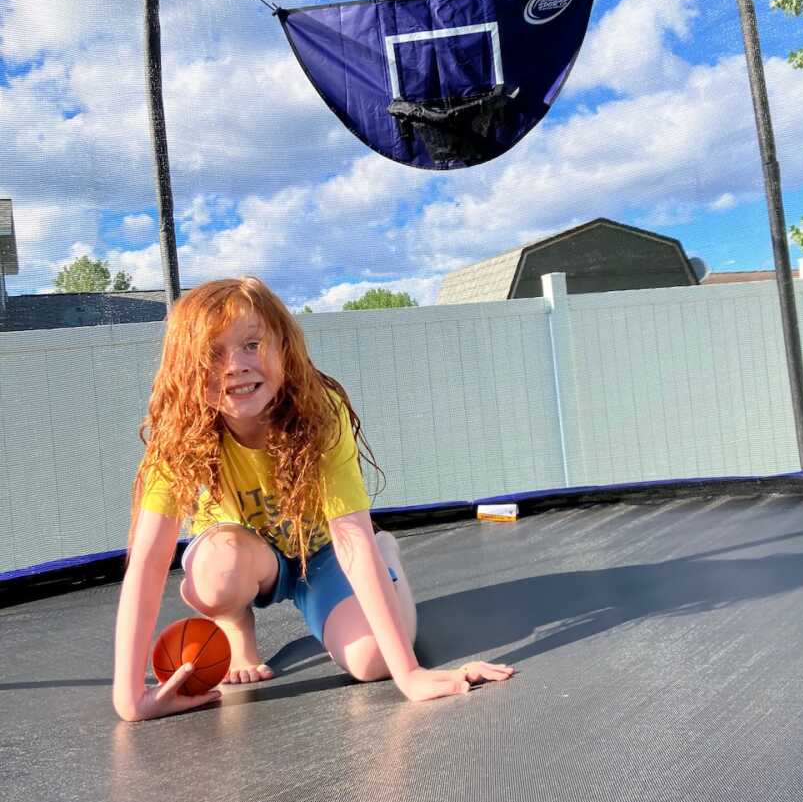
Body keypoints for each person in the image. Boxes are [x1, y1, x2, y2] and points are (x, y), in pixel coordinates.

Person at [113, 276, 515, 722]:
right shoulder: (180, 432)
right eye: (213, 354)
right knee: (215, 574)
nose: (235, 366)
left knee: (372, 662)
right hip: (246, 555)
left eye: (251, 345)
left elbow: (350, 539)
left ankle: (390, 556)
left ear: (283, 346)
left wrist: (410, 673)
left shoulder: (319, 412)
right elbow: (149, 561)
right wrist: (129, 698)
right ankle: (235, 623)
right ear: (185, 369)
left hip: (321, 550)